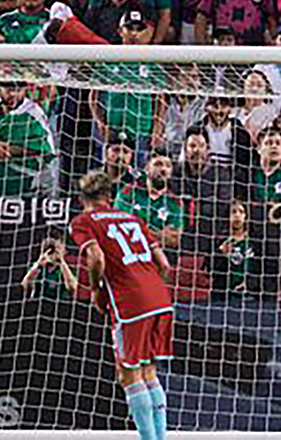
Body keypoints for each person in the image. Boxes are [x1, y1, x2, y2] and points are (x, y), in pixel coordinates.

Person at [69, 169, 173, 440]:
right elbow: (164, 264)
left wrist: (94, 289)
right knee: (148, 370)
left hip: (131, 303)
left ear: (82, 198)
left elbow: (96, 259)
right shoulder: (132, 217)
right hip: (161, 299)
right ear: (109, 195)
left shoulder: (83, 221)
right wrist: (148, 285)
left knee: (128, 374)